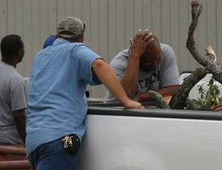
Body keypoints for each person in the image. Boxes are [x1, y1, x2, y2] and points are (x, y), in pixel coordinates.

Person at [25, 16, 141, 170]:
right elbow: (99, 65)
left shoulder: (40, 56)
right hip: (59, 138)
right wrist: (126, 100)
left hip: (34, 141)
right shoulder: (77, 50)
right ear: (82, 37)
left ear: (56, 36)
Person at [103, 29, 180, 104]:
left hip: (148, 110)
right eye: (149, 62)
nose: (156, 64)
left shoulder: (165, 52)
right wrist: (134, 57)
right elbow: (127, 96)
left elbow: (174, 89)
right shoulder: (119, 64)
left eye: (158, 59)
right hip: (117, 111)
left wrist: (142, 96)